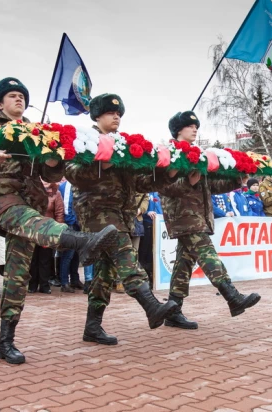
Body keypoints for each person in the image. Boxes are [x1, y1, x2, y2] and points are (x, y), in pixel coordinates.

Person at [0, 77, 119, 364]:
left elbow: (50, 174)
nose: (19, 100)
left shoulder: (36, 129)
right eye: (12, 95)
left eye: (22, 96)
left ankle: (5, 341)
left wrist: (53, 163)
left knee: (17, 276)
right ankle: (82, 242)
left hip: (31, 200)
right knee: (31, 222)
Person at [65, 93, 179, 346]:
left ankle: (92, 327)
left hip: (123, 213)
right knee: (127, 256)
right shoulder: (84, 140)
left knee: (104, 274)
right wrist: (100, 164)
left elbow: (139, 182)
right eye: (110, 113)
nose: (116, 116)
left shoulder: (123, 145)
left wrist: (165, 174)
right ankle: (150, 306)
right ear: (97, 115)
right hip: (97, 213)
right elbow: (73, 173)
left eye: (118, 114)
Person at [160, 111, 261, 330]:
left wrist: (238, 180)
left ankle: (173, 309)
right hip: (183, 216)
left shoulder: (198, 154)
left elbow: (210, 186)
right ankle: (232, 297)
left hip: (198, 217)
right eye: (190, 126)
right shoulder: (168, 154)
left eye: (196, 126)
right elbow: (164, 188)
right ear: (178, 130)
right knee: (207, 255)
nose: (195, 129)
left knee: (184, 263)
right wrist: (189, 180)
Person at [28, 181, 64, 294]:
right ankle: (32, 284)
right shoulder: (31, 191)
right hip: (32, 230)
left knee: (45, 259)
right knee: (32, 259)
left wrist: (58, 230)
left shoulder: (56, 194)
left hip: (47, 230)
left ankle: (44, 284)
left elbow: (59, 213)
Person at [57, 179, 82, 293]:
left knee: (76, 254)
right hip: (70, 224)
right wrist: (71, 223)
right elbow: (66, 207)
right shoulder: (66, 186)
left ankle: (75, 279)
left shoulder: (78, 184)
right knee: (68, 255)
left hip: (78, 224)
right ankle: (64, 282)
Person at [138, 192, 162, 288]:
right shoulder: (145, 192)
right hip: (146, 225)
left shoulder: (159, 193)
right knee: (144, 254)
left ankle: (153, 279)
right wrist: (147, 213)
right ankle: (144, 280)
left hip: (160, 226)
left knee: (154, 255)